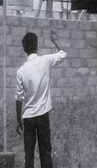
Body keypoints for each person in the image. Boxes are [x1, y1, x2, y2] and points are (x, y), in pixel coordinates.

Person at [15, 30, 67, 168]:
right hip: (43, 115)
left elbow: (19, 99)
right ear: (37, 45)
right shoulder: (45, 61)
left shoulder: (21, 71)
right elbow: (63, 54)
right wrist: (55, 40)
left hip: (28, 117)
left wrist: (18, 120)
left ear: (24, 49)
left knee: (29, 152)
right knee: (45, 151)